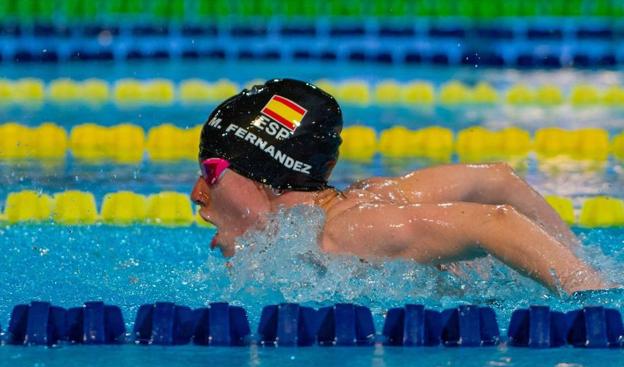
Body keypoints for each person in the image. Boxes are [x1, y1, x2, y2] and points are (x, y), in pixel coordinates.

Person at [191, 78, 609, 295]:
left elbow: (493, 222)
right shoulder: (366, 196)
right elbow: (495, 179)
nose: (197, 192)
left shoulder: (345, 233)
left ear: (267, 177)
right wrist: (582, 259)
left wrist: (591, 296)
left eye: (210, 171)